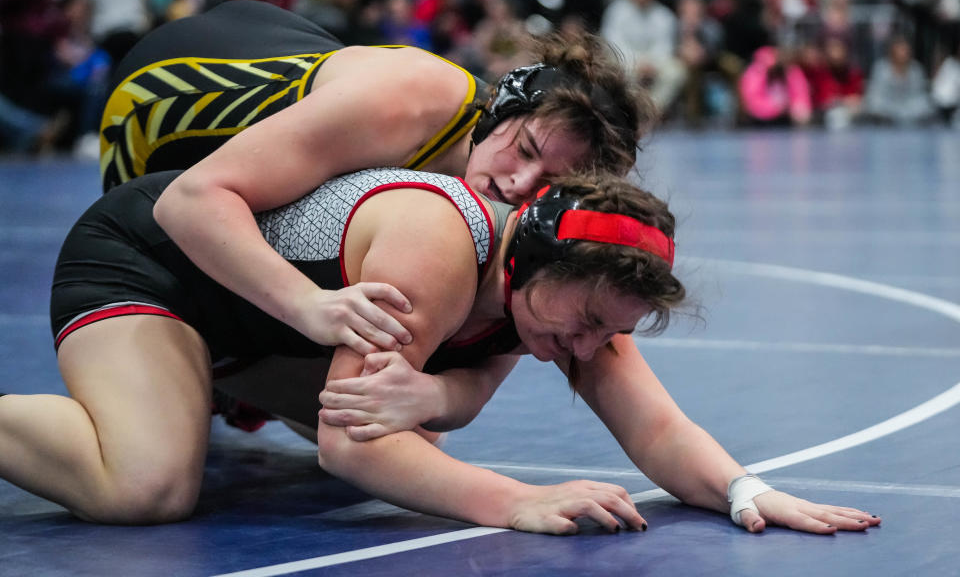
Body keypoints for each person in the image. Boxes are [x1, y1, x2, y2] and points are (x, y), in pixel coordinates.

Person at [0, 167, 881, 537]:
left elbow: (659, 434)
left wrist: (746, 491)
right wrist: (518, 503)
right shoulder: (436, 246)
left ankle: (203, 388)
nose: (580, 349)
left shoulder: (565, 300)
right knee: (148, 488)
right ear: (532, 259)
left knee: (405, 430)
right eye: (580, 322)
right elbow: (349, 444)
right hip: (154, 266)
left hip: (252, 326)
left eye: (604, 336)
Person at [100, 0, 650, 356]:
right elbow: (190, 200)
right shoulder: (409, 103)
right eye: (524, 149)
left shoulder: (490, 181)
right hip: (163, 101)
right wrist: (303, 306)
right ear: (501, 110)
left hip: (271, 49)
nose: (518, 183)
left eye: (548, 181)